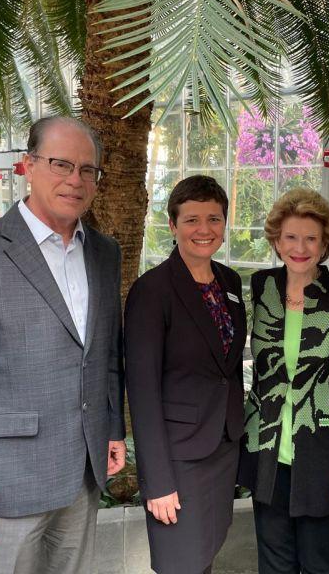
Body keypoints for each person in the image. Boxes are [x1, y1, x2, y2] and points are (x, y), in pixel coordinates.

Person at [0, 116, 126, 573]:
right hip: (1, 489)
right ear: (28, 165)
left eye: (87, 170)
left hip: (81, 479)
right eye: (60, 164)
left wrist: (113, 428)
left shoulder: (105, 253)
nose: (75, 180)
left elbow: (105, 354)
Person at [239, 188, 329, 574]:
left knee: (321, 563)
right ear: (277, 241)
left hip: (324, 456)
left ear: (325, 243)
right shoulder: (262, 288)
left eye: (310, 238)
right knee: (274, 562)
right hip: (267, 452)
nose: (300, 248)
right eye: (291, 237)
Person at [124, 175, 247, 574]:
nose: (204, 229)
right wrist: (156, 481)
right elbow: (141, 392)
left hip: (221, 448)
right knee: (180, 562)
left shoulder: (228, 282)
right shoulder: (152, 290)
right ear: (173, 224)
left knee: (206, 554)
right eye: (192, 219)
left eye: (214, 218)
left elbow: (226, 368)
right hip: (178, 458)